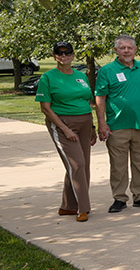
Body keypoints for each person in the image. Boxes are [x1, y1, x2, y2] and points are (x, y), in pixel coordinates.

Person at [95, 35, 140, 213]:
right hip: (117, 126)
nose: (127, 51)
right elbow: (100, 97)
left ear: (135, 50)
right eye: (122, 48)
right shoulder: (107, 70)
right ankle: (119, 198)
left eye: (130, 48)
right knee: (118, 165)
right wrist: (102, 123)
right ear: (116, 50)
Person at [36, 41, 97, 221]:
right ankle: (83, 208)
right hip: (62, 123)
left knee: (82, 164)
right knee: (77, 164)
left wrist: (92, 127)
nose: (63, 56)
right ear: (54, 55)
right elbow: (45, 108)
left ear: (72, 54)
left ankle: (67, 207)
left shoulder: (81, 76)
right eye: (59, 53)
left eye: (67, 53)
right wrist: (65, 129)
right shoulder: (48, 78)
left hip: (85, 122)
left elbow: (87, 101)